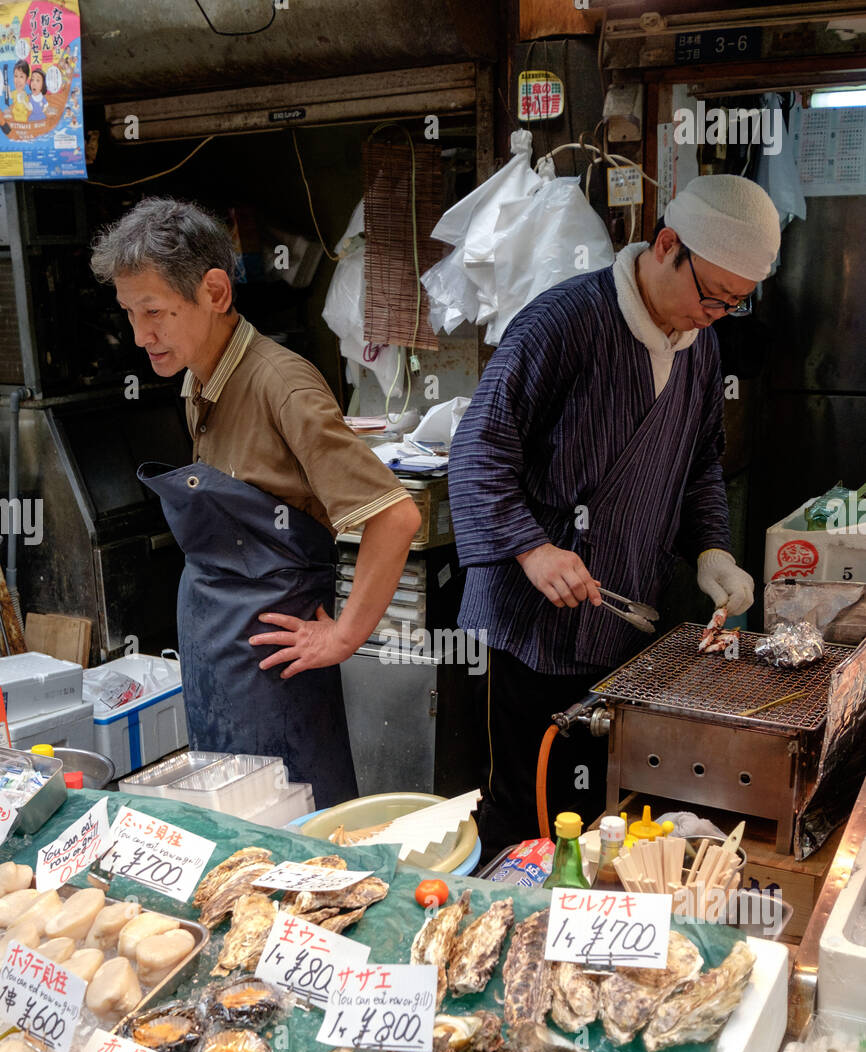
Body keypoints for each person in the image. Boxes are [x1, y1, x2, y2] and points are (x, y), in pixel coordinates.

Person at [448, 174, 781, 861]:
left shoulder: (700, 348)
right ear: (666, 246)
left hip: (624, 615)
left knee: (601, 811)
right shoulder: (564, 321)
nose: (716, 313)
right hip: (531, 622)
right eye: (710, 294)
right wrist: (533, 549)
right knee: (526, 810)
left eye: (733, 303)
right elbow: (478, 451)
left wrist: (712, 552)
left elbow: (699, 466)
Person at [90, 197, 420, 808]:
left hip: (275, 670)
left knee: (295, 835)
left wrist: (345, 635)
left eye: (155, 311)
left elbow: (395, 516)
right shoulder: (197, 379)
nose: (140, 336)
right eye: (130, 313)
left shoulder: (282, 386)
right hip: (219, 655)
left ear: (215, 291)